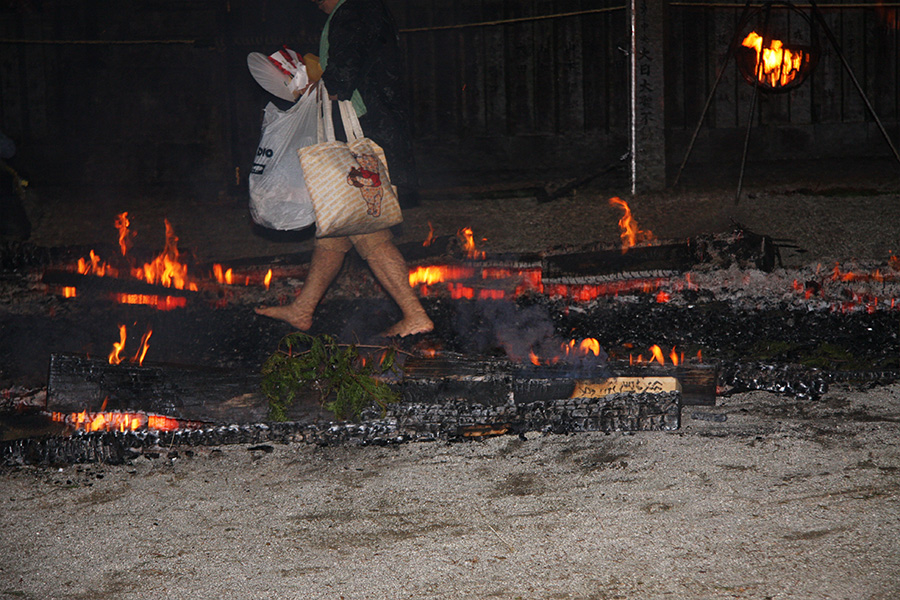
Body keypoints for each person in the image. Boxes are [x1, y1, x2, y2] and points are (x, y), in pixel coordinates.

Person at [255, 0, 433, 337]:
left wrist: (305, 84)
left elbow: (341, 80)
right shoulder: (359, 10)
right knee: (336, 228)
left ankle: (415, 315)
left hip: (364, 141)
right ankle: (303, 309)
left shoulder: (355, 11)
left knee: (369, 235)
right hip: (373, 135)